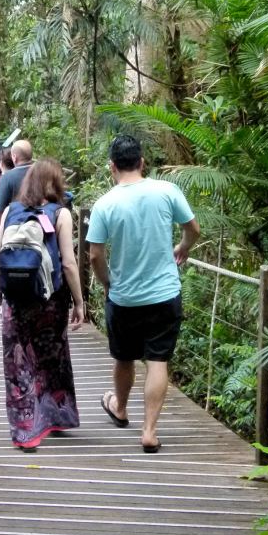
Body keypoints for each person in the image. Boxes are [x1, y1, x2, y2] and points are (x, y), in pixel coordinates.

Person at [86, 134, 200, 454]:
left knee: (124, 357)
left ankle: (120, 408)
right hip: (164, 294)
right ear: (142, 162)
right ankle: (149, 431)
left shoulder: (105, 204)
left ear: (112, 167)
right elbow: (193, 229)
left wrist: (108, 283)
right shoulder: (166, 191)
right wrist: (183, 247)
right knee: (157, 360)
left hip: (124, 297)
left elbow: (95, 256)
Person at [0, 159, 85, 451]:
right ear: (55, 184)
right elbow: (69, 264)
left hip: (15, 300)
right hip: (50, 301)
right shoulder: (61, 214)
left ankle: (25, 432)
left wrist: (0, 295)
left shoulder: (10, 211)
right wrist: (79, 302)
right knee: (51, 358)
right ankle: (56, 416)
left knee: (18, 363)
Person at [0, 139, 34, 216]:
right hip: (39, 222)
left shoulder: (7, 177)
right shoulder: (44, 173)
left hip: (16, 222)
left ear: (14, 157)